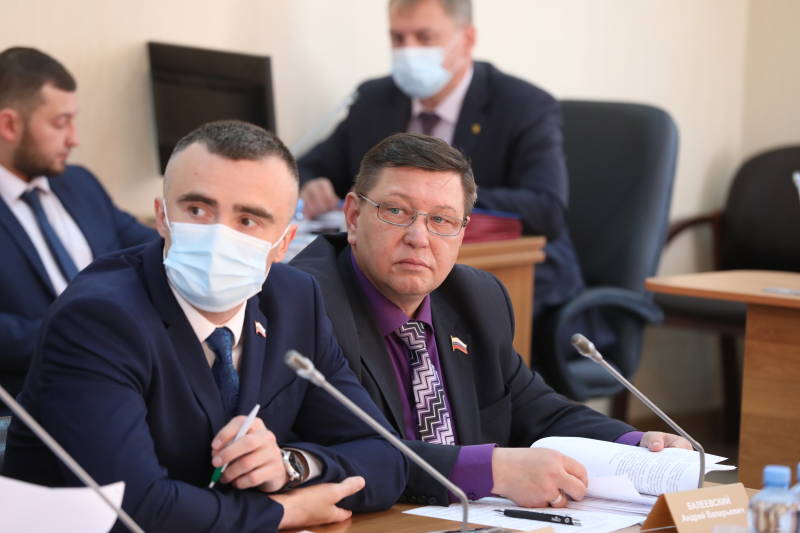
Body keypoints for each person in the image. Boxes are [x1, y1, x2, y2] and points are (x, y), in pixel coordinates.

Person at [3, 121, 407, 532]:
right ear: (162, 217)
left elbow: (386, 458)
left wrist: (291, 465)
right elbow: (131, 508)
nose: (219, 236)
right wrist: (287, 511)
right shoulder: (98, 318)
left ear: (284, 244)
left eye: (248, 220)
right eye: (197, 211)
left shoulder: (295, 299)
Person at [291, 132, 690, 508]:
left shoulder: (477, 298)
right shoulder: (303, 302)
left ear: (462, 233)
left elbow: (535, 408)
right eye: (396, 211)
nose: (419, 237)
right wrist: (491, 471)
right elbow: (349, 450)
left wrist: (636, 444)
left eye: (442, 220)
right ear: (353, 216)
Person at [297, 0, 587, 341]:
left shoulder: (523, 106)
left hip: (514, 276)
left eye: (424, 37)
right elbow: (306, 166)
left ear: (467, 39)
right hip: (394, 274)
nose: (408, 51)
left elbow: (546, 209)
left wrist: (441, 205)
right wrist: (312, 183)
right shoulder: (375, 99)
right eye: (398, 38)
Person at [0, 47, 157, 401]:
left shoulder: (80, 183)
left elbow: (149, 247)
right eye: (60, 123)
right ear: (9, 125)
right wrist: (84, 337)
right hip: (37, 396)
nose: (74, 138)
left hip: (130, 375)